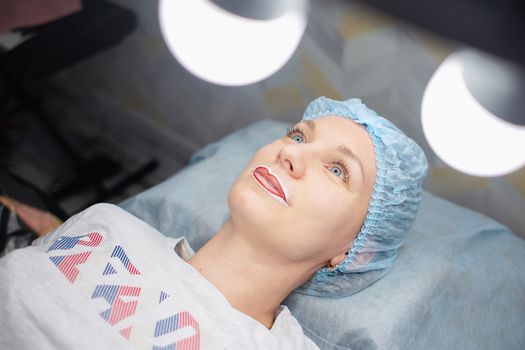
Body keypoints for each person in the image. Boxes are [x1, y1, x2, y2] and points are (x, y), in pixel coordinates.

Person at [0, 97, 428, 349]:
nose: (291, 154)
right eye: (298, 135)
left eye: (338, 170)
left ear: (353, 252)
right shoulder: (107, 223)